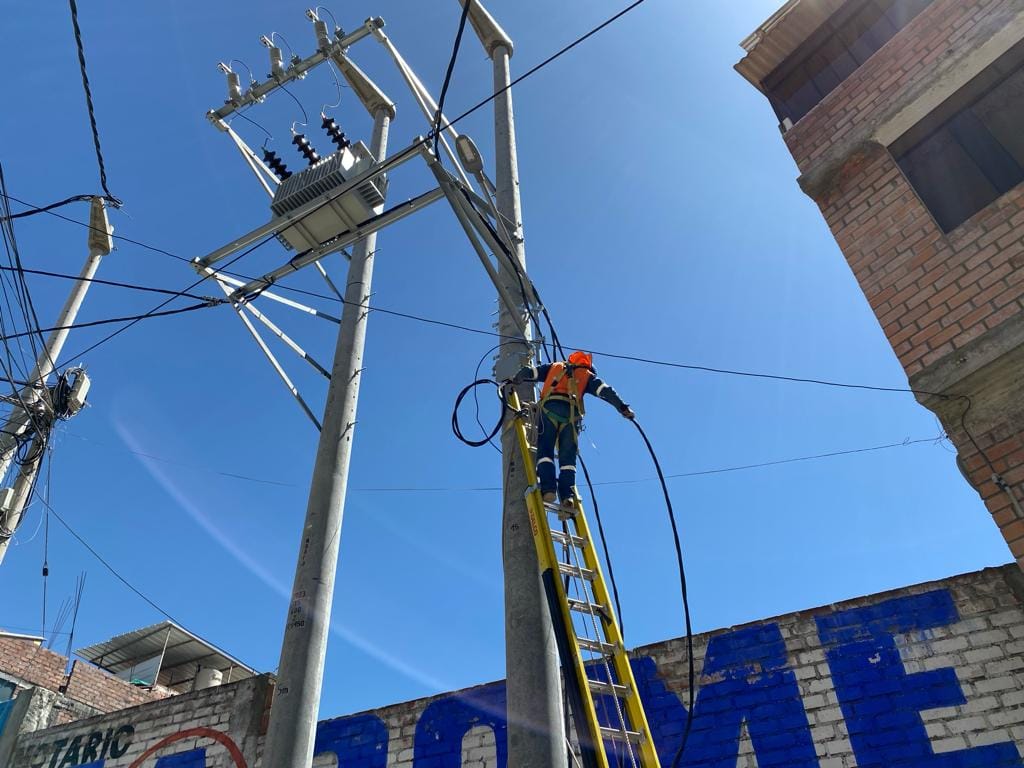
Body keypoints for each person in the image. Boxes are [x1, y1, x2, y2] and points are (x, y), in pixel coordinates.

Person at [509, 351, 634, 507]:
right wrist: (622, 408)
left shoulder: (555, 367)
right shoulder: (587, 375)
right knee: (568, 459)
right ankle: (567, 496)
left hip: (549, 411)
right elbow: (606, 391)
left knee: (545, 451)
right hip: (571, 417)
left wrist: (515, 379)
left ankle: (548, 489)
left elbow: (530, 372)